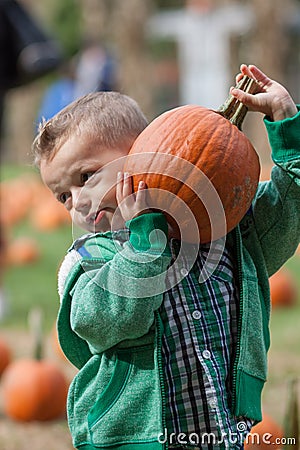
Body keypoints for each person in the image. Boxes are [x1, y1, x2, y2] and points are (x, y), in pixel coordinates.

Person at [32, 64, 300, 450]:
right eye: (63, 196)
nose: (78, 202)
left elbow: (288, 212)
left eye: (86, 176)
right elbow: (103, 319)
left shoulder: (225, 237)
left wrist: (286, 126)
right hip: (132, 438)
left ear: (146, 151)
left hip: (219, 429)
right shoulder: (88, 257)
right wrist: (146, 242)